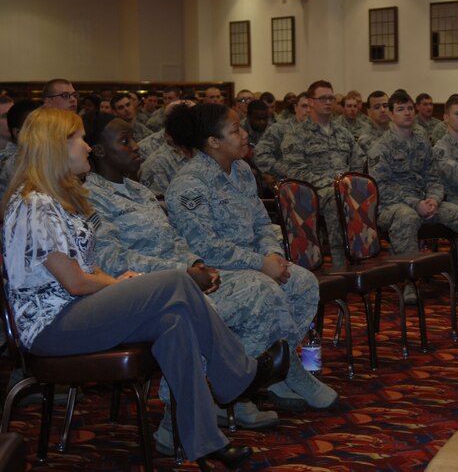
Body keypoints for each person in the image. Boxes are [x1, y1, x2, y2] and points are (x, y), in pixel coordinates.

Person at [1, 106, 288, 468]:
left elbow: (86, 269)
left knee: (176, 322)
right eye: (78, 139)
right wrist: (118, 283)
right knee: (174, 282)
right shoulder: (33, 204)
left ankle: (202, 439)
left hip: (76, 312)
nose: (87, 147)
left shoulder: (59, 200)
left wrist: (116, 283)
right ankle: (240, 374)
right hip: (51, 326)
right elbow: (74, 281)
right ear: (55, 147)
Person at [84, 113, 317, 436]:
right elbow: (110, 258)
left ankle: (237, 390)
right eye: (125, 141)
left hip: (180, 277)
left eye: (134, 138)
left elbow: (174, 240)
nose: (137, 146)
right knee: (256, 292)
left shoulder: (139, 191)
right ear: (98, 151)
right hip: (141, 291)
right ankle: (190, 410)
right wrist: (184, 271)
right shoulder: (90, 197)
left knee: (286, 285)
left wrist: (195, 264)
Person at [164, 103, 338, 411]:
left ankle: (278, 371)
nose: (245, 135)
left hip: (255, 265)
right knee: (265, 291)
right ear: (213, 142)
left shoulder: (242, 171)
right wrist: (260, 264)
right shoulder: (190, 184)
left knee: (303, 282)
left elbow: (261, 222)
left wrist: (271, 253)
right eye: (235, 130)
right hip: (216, 274)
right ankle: (246, 380)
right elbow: (204, 246)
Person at [369, 92, 458, 302]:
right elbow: (379, 187)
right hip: (393, 206)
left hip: (426, 202)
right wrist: (416, 204)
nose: (407, 113)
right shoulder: (380, 147)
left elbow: (434, 178)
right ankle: (410, 282)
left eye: (409, 108)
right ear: (390, 114)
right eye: (400, 109)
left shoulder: (422, 143)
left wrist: (434, 199)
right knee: (407, 217)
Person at [280, 80, 365, 268]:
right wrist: (334, 184)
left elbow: (358, 162)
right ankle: (339, 260)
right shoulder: (297, 135)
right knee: (336, 197)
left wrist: (349, 183)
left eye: (331, 98)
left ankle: (361, 253)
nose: (328, 102)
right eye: (323, 98)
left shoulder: (343, 133)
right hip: (311, 192)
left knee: (363, 192)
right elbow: (296, 172)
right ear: (310, 102)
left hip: (344, 187)